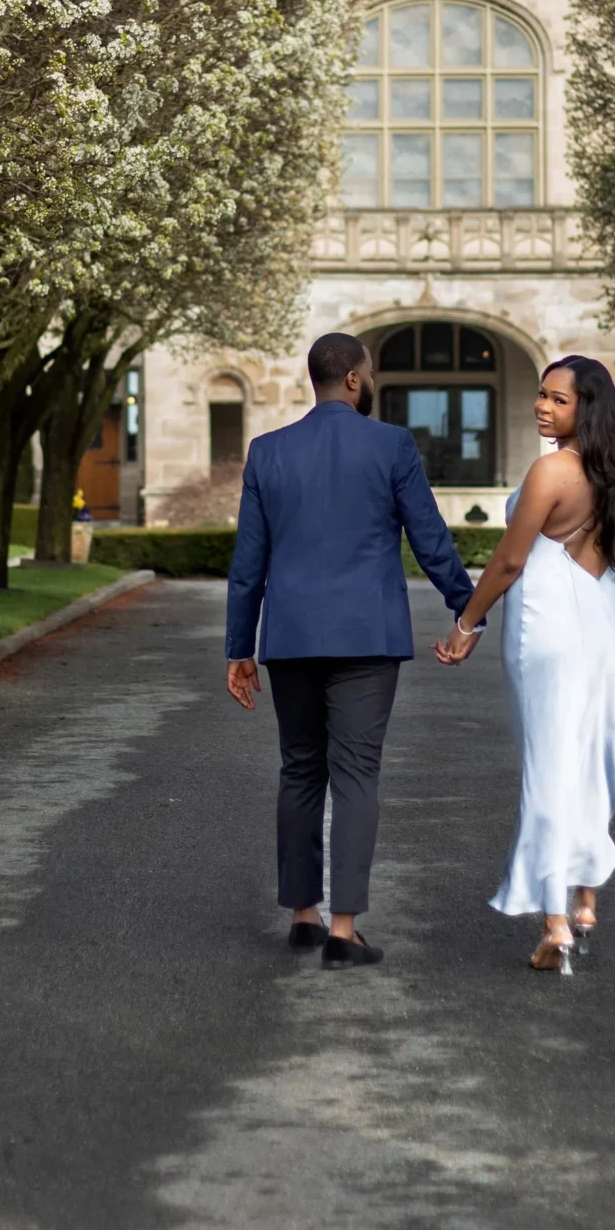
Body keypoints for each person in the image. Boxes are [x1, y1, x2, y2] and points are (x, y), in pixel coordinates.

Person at [225, 330, 477, 966]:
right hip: (367, 636)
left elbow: (247, 562)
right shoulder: (391, 444)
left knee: (300, 768)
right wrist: (467, 608)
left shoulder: (267, 451)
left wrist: (239, 648)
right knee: (357, 773)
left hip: (290, 638)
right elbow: (429, 535)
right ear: (356, 380)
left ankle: (304, 916)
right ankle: (344, 930)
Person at [436, 355, 615, 972]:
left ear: (587, 407)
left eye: (558, 400)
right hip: (601, 622)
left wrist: (465, 624)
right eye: (541, 395)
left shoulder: (552, 470)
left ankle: (555, 921)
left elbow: (508, 561)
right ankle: (584, 900)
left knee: (547, 766)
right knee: (589, 758)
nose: (542, 407)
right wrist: (611, 630)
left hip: (546, 627)